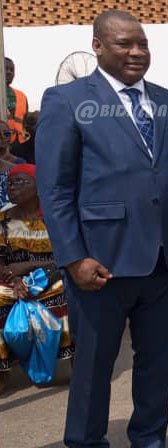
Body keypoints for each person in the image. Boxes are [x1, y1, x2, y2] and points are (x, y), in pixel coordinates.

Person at [36, 10, 168, 447]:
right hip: (101, 264)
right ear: (98, 46)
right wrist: (74, 258)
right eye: (124, 44)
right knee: (94, 368)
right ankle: (85, 441)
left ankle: (149, 439)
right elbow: (55, 190)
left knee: (158, 366)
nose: (137, 52)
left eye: (143, 44)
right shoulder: (68, 101)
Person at [0, 164, 73, 395]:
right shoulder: (3, 219)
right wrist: (15, 279)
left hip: (53, 273)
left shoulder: (54, 215)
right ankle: (2, 372)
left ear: (38, 185)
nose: (14, 188)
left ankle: (76, 362)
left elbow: (66, 255)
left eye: (22, 182)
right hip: (14, 279)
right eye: (11, 183)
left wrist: (30, 266)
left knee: (64, 292)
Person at [5, 57, 29, 145]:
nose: (9, 72)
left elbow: (24, 120)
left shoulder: (22, 95)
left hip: (18, 143)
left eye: (12, 70)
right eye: (5, 68)